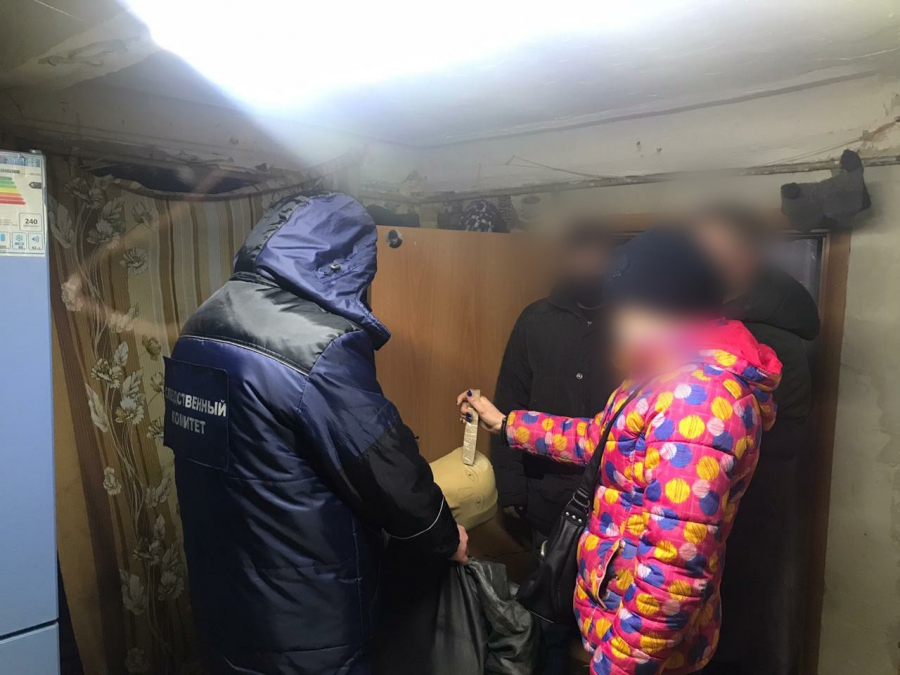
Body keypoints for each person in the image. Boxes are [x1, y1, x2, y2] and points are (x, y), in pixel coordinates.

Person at [164, 193, 467, 675]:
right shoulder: (317, 345)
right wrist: (443, 537)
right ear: (343, 260)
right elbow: (385, 467)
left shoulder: (201, 323)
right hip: (307, 617)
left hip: (223, 594)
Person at [458, 227, 782, 675]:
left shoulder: (694, 397)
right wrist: (506, 423)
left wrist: (616, 666)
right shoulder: (663, 375)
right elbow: (600, 438)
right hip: (621, 618)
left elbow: (673, 572)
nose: (616, 324)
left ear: (655, 307)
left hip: (641, 648)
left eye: (622, 309)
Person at [691, 204, 820, 675]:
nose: (702, 262)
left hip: (742, 522)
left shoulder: (776, 340)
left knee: (735, 636)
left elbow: (779, 449)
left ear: (748, 257)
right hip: (697, 518)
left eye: (716, 251)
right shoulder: (705, 318)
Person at [491, 220, 619, 673]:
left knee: (605, 622)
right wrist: (511, 487)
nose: (588, 265)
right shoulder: (536, 320)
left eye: (597, 255)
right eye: (579, 256)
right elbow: (509, 400)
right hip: (547, 499)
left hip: (614, 504)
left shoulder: (630, 322)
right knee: (547, 619)